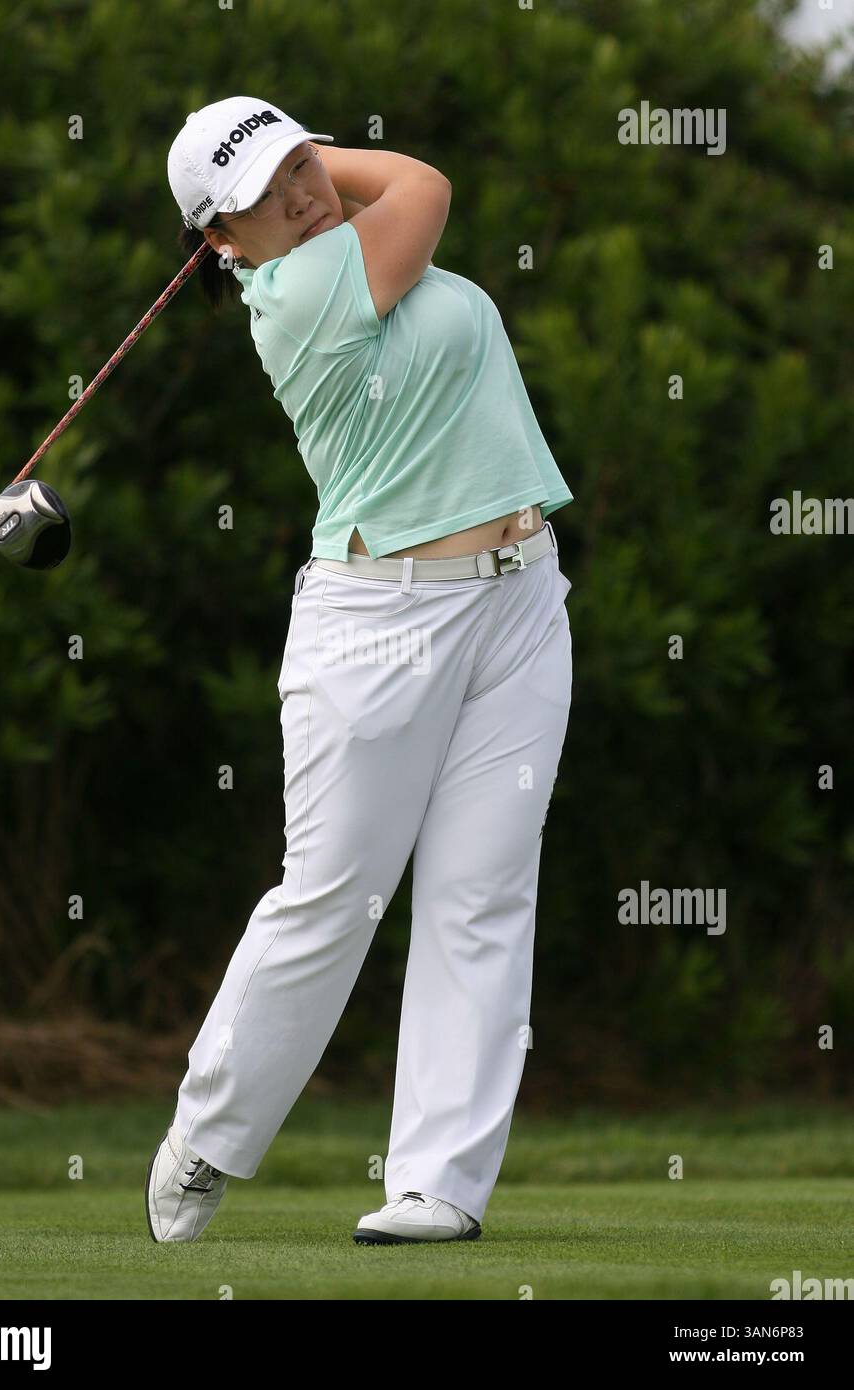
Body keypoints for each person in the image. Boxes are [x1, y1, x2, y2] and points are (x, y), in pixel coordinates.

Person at [146, 96, 575, 1246]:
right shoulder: (293, 295)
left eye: (300, 163)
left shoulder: (346, 255)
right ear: (222, 247)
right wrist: (311, 153)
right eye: (266, 192)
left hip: (522, 603)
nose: (301, 189)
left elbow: (392, 206)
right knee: (333, 897)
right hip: (381, 626)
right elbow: (424, 183)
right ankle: (207, 1132)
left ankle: (437, 1184)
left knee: (482, 897)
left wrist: (277, 157)